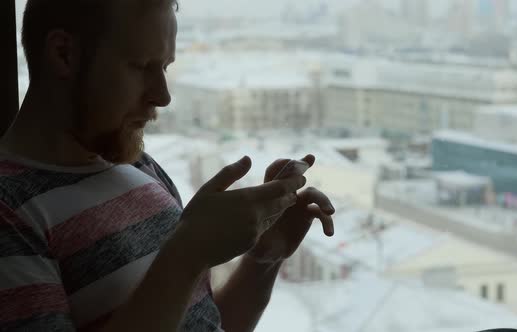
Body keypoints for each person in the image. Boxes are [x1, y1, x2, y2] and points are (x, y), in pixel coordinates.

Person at [0, 0, 336, 331]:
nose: (162, 95)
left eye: (164, 67)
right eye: (142, 66)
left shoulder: (141, 167)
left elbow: (202, 323)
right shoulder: (9, 211)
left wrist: (264, 256)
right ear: (64, 53)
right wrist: (187, 254)